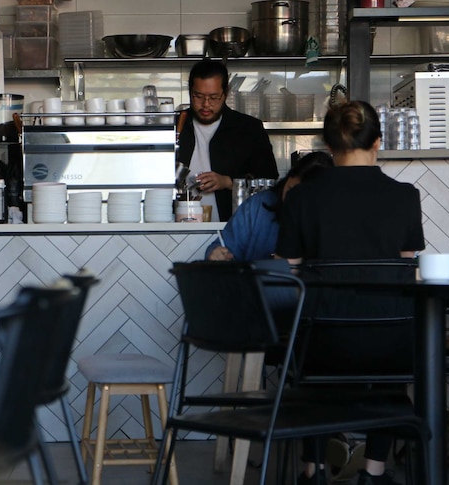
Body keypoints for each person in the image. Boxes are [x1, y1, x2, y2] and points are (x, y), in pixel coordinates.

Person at [276, 100, 425, 485]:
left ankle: (313, 470)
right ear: (377, 142)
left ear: (328, 148)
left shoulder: (302, 198)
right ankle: (373, 472)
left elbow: (287, 272)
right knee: (394, 371)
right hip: (390, 344)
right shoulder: (405, 196)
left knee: (308, 379)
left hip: (322, 342)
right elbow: (406, 269)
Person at [177, 60, 279, 222]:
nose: (206, 104)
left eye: (214, 97)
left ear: (226, 93)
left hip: (232, 227)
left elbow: (269, 180)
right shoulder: (177, 125)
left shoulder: (248, 128)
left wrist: (228, 181)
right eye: (198, 97)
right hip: (177, 226)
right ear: (190, 92)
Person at [205, 151, 333, 261]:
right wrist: (215, 253)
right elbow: (223, 246)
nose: (294, 200)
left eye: (304, 198)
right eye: (291, 190)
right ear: (288, 178)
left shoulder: (333, 217)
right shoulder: (257, 207)